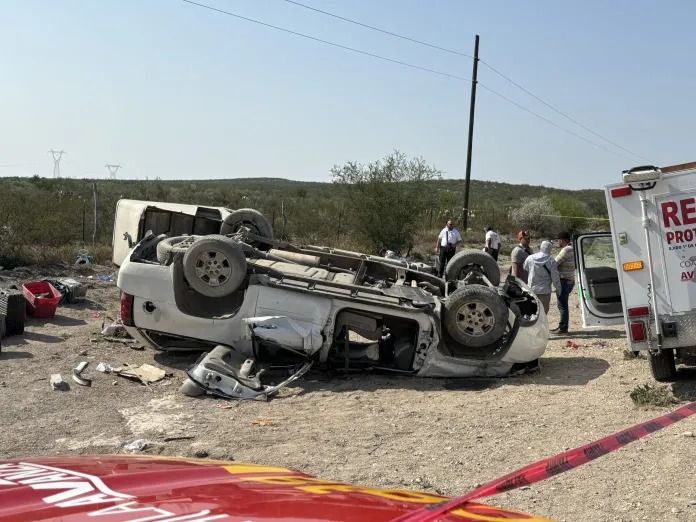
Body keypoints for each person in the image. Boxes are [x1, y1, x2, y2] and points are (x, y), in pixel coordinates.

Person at [523, 240, 561, 315]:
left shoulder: (530, 258)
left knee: (532, 312)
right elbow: (555, 278)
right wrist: (558, 289)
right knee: (543, 313)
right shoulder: (551, 261)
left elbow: (525, 268)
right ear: (550, 249)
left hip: (532, 290)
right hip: (545, 291)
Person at [552, 231, 576, 334]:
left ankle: (563, 327)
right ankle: (562, 325)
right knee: (563, 305)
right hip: (570, 280)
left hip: (564, 281)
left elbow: (554, 263)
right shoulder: (574, 249)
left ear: (562, 240)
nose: (558, 242)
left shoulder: (565, 250)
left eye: (558, 240)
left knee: (562, 306)